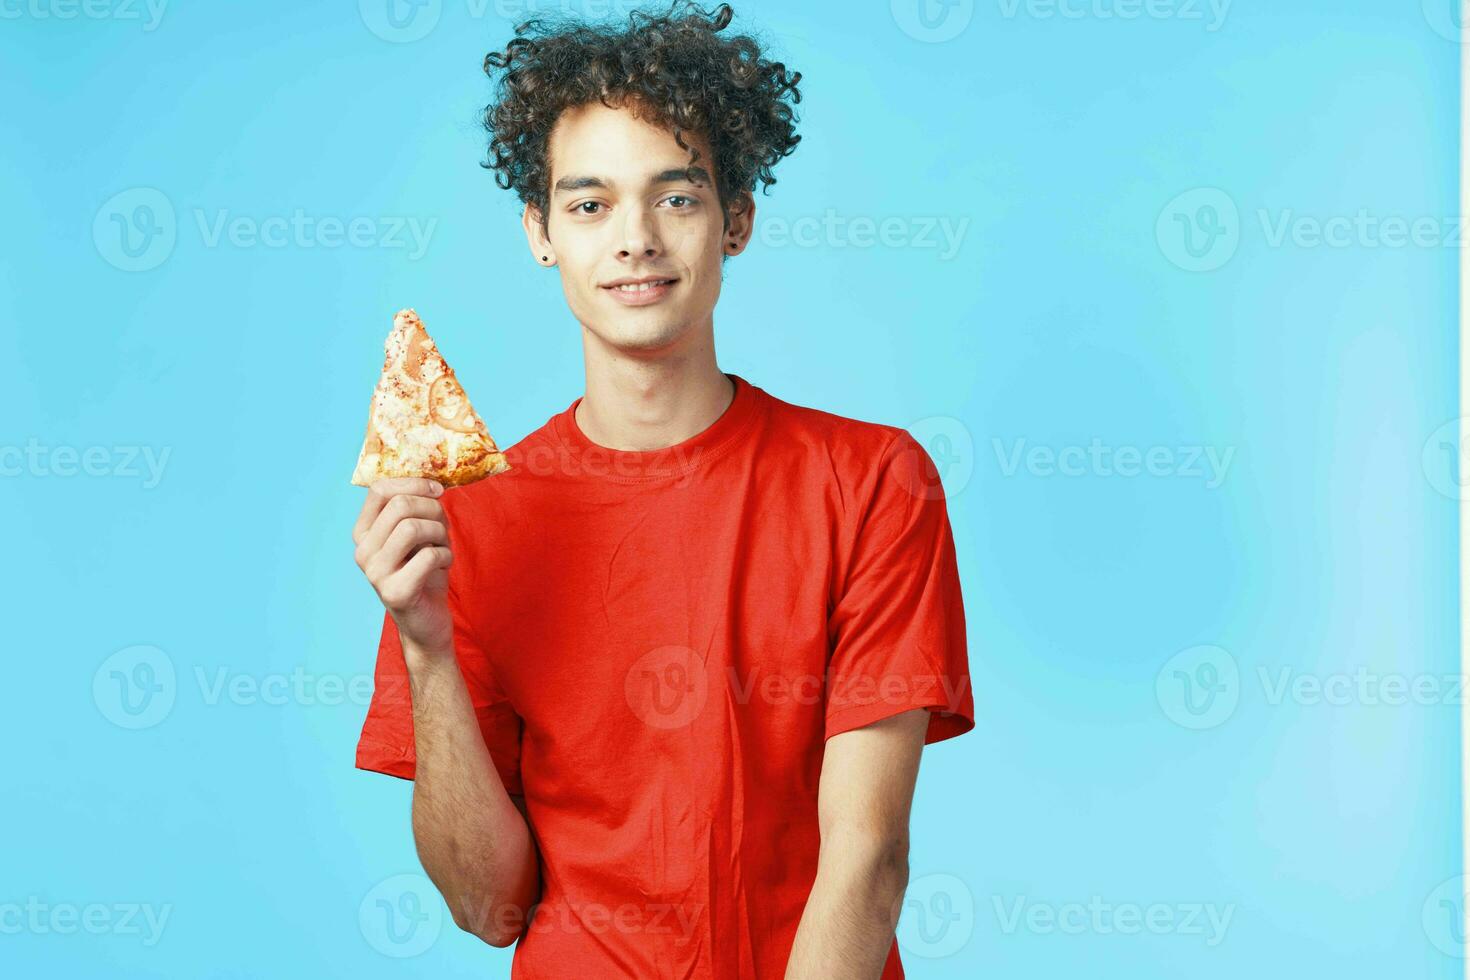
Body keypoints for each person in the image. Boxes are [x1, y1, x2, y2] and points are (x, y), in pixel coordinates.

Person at [350, 3, 974, 976]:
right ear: (540, 232)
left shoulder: (873, 482)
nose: (635, 237)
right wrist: (425, 640)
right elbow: (487, 902)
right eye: (590, 203)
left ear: (737, 219)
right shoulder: (465, 522)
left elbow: (867, 858)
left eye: (675, 197)